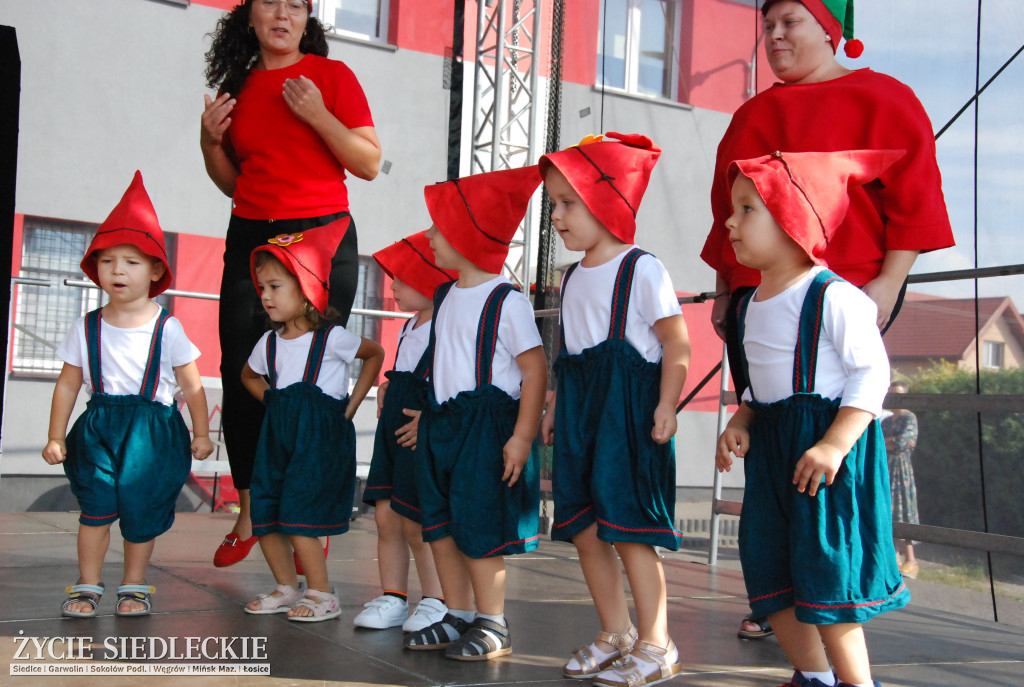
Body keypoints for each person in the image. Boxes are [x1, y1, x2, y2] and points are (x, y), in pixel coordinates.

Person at [701, 0, 953, 641]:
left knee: (830, 439)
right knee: (768, 440)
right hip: (762, 305)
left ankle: (834, 595)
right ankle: (781, 593)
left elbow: (914, 195)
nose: (775, 35)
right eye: (768, 25)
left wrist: (888, 283)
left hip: (846, 299)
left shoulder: (886, 97)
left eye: (790, 21)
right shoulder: (752, 114)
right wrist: (729, 286)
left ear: (831, 29)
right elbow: (727, 210)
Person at [716, 149, 912, 687]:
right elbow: (759, 388)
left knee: (828, 578)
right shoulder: (749, 305)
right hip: (774, 452)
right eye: (733, 209)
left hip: (824, 458)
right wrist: (741, 422)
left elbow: (871, 375)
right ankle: (813, 675)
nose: (730, 222)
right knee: (768, 570)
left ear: (792, 218)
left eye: (747, 209)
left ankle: (856, 682)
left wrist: (833, 444)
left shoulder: (834, 297)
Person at [201, 0, 382, 567]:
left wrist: (318, 115)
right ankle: (252, 511)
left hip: (321, 234)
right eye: (270, 4)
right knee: (243, 369)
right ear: (248, 17)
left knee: (311, 376)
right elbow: (232, 182)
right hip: (252, 232)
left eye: (296, 5)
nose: (283, 14)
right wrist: (209, 143)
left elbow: (370, 163)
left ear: (308, 19)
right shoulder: (239, 85)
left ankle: (309, 515)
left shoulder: (331, 77)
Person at [538, 133, 691, 687]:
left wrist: (668, 404)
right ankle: (616, 632)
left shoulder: (642, 269)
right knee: (582, 526)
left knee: (629, 529)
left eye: (567, 202)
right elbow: (570, 354)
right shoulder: (573, 277)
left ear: (607, 200)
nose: (556, 215)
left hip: (628, 415)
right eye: (552, 203)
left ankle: (658, 643)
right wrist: (556, 406)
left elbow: (677, 344)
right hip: (582, 411)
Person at [43, 172, 215, 618]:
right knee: (95, 508)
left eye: (132, 261)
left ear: (156, 270)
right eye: (108, 260)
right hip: (99, 427)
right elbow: (68, 383)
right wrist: (56, 435)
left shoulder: (167, 328)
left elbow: (192, 384)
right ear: (95, 267)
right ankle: (86, 584)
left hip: (153, 433)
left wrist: (200, 432)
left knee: (141, 508)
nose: (118, 270)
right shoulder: (86, 326)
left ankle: (134, 585)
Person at [403, 167, 547, 661]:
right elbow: (448, 364)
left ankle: (493, 621)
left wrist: (522, 437)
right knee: (439, 524)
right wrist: (430, 416)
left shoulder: (508, 301)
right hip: (443, 424)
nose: (429, 237)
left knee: (480, 525)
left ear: (470, 233)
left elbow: (534, 370)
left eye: (439, 228)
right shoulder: (444, 297)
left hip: (486, 428)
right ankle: (458, 614)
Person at [241, 218, 384, 621]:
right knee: (264, 514)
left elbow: (375, 353)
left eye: (275, 286)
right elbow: (248, 376)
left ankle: (321, 593)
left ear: (306, 289)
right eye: (262, 287)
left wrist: (352, 404)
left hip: (319, 440)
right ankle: (287, 587)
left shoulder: (332, 338)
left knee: (301, 516)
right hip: (278, 437)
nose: (265, 296)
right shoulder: (268, 342)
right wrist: (273, 399)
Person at [354, 231, 455, 632]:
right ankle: (393, 595)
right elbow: (407, 372)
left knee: (417, 518)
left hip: (419, 428)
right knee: (385, 515)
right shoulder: (410, 325)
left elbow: (450, 380)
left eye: (402, 278)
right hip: (394, 429)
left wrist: (427, 418)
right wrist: (387, 386)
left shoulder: (445, 326)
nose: (392, 285)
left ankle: (436, 598)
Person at [881, 380, 919, 579]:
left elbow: (903, 443)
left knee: (904, 511)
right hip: (884, 468)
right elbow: (876, 441)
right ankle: (893, 558)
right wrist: (889, 443)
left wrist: (889, 443)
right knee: (887, 511)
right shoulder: (887, 420)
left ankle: (911, 560)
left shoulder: (909, 418)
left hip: (901, 471)